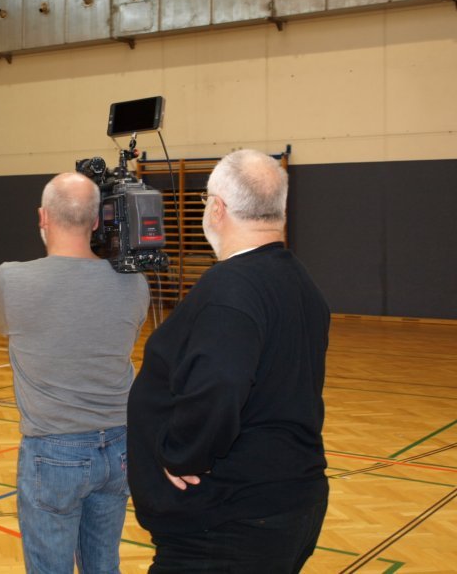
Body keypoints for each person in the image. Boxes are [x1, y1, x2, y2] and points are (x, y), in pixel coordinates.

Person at [127, 149, 330, 574]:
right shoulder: (299, 279)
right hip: (283, 502)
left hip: (228, 523)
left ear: (217, 209)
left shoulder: (230, 289)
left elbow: (221, 383)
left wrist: (184, 454)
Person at [0, 172, 150, 574]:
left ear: (43, 217)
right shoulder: (135, 284)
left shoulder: (11, 278)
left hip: (54, 451)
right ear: (95, 221)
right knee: (103, 565)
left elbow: (2, 325)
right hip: (120, 447)